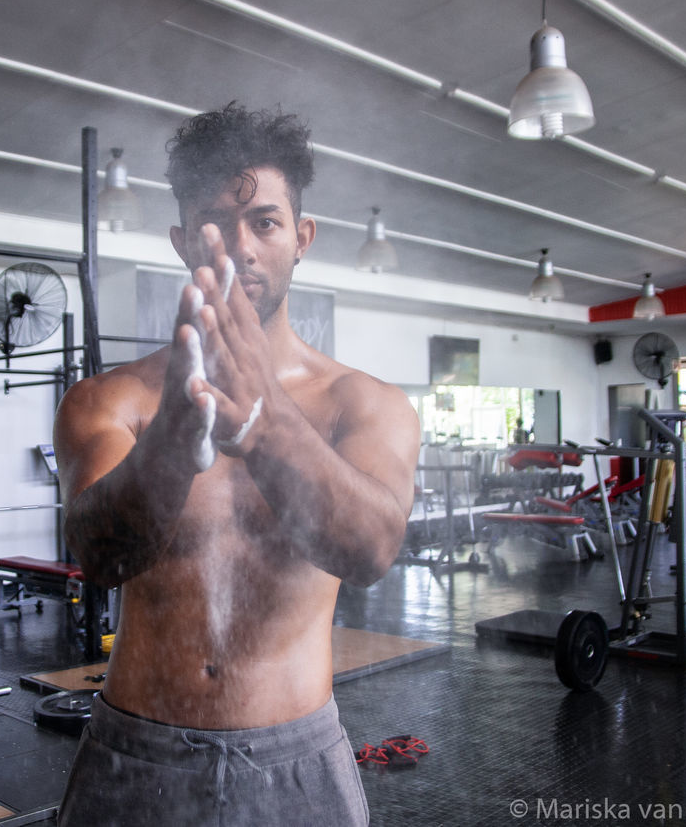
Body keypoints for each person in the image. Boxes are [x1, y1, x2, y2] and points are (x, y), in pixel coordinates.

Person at [53, 104, 420, 825]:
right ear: (183, 238)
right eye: (216, 222)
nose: (241, 246)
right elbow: (98, 552)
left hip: (297, 761)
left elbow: (372, 548)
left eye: (265, 221)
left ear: (302, 237)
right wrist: (172, 440)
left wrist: (262, 422)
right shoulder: (111, 400)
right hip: (134, 755)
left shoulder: (363, 404)